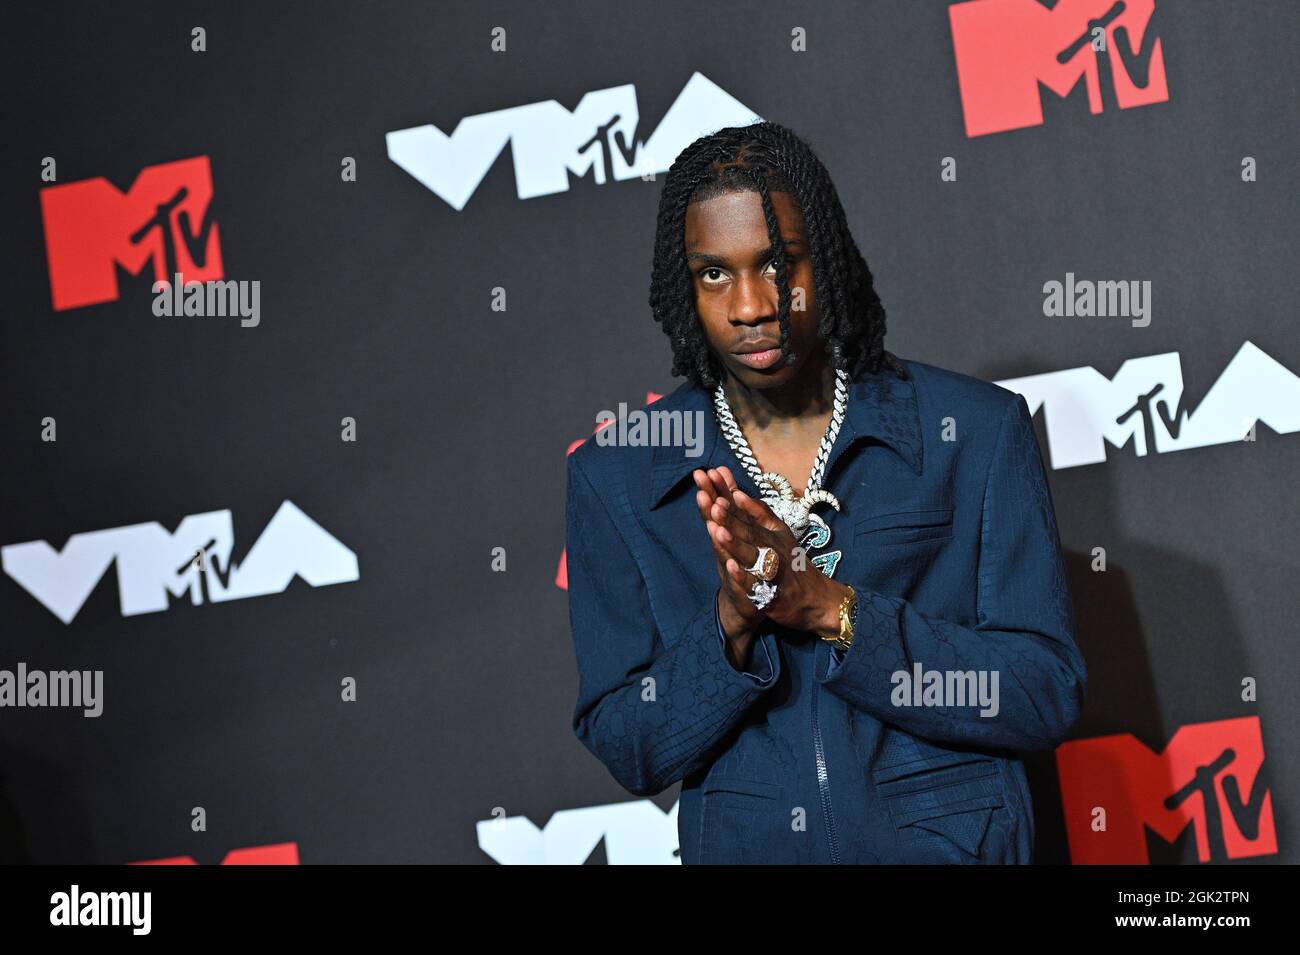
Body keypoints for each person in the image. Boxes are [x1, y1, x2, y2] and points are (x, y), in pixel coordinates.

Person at [564, 120, 1087, 864]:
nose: (750, 305)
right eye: (714, 273)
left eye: (778, 264)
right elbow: (632, 745)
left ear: (826, 262)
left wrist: (833, 610)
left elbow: (1041, 693)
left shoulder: (972, 431)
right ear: (684, 285)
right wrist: (731, 623)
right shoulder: (616, 475)